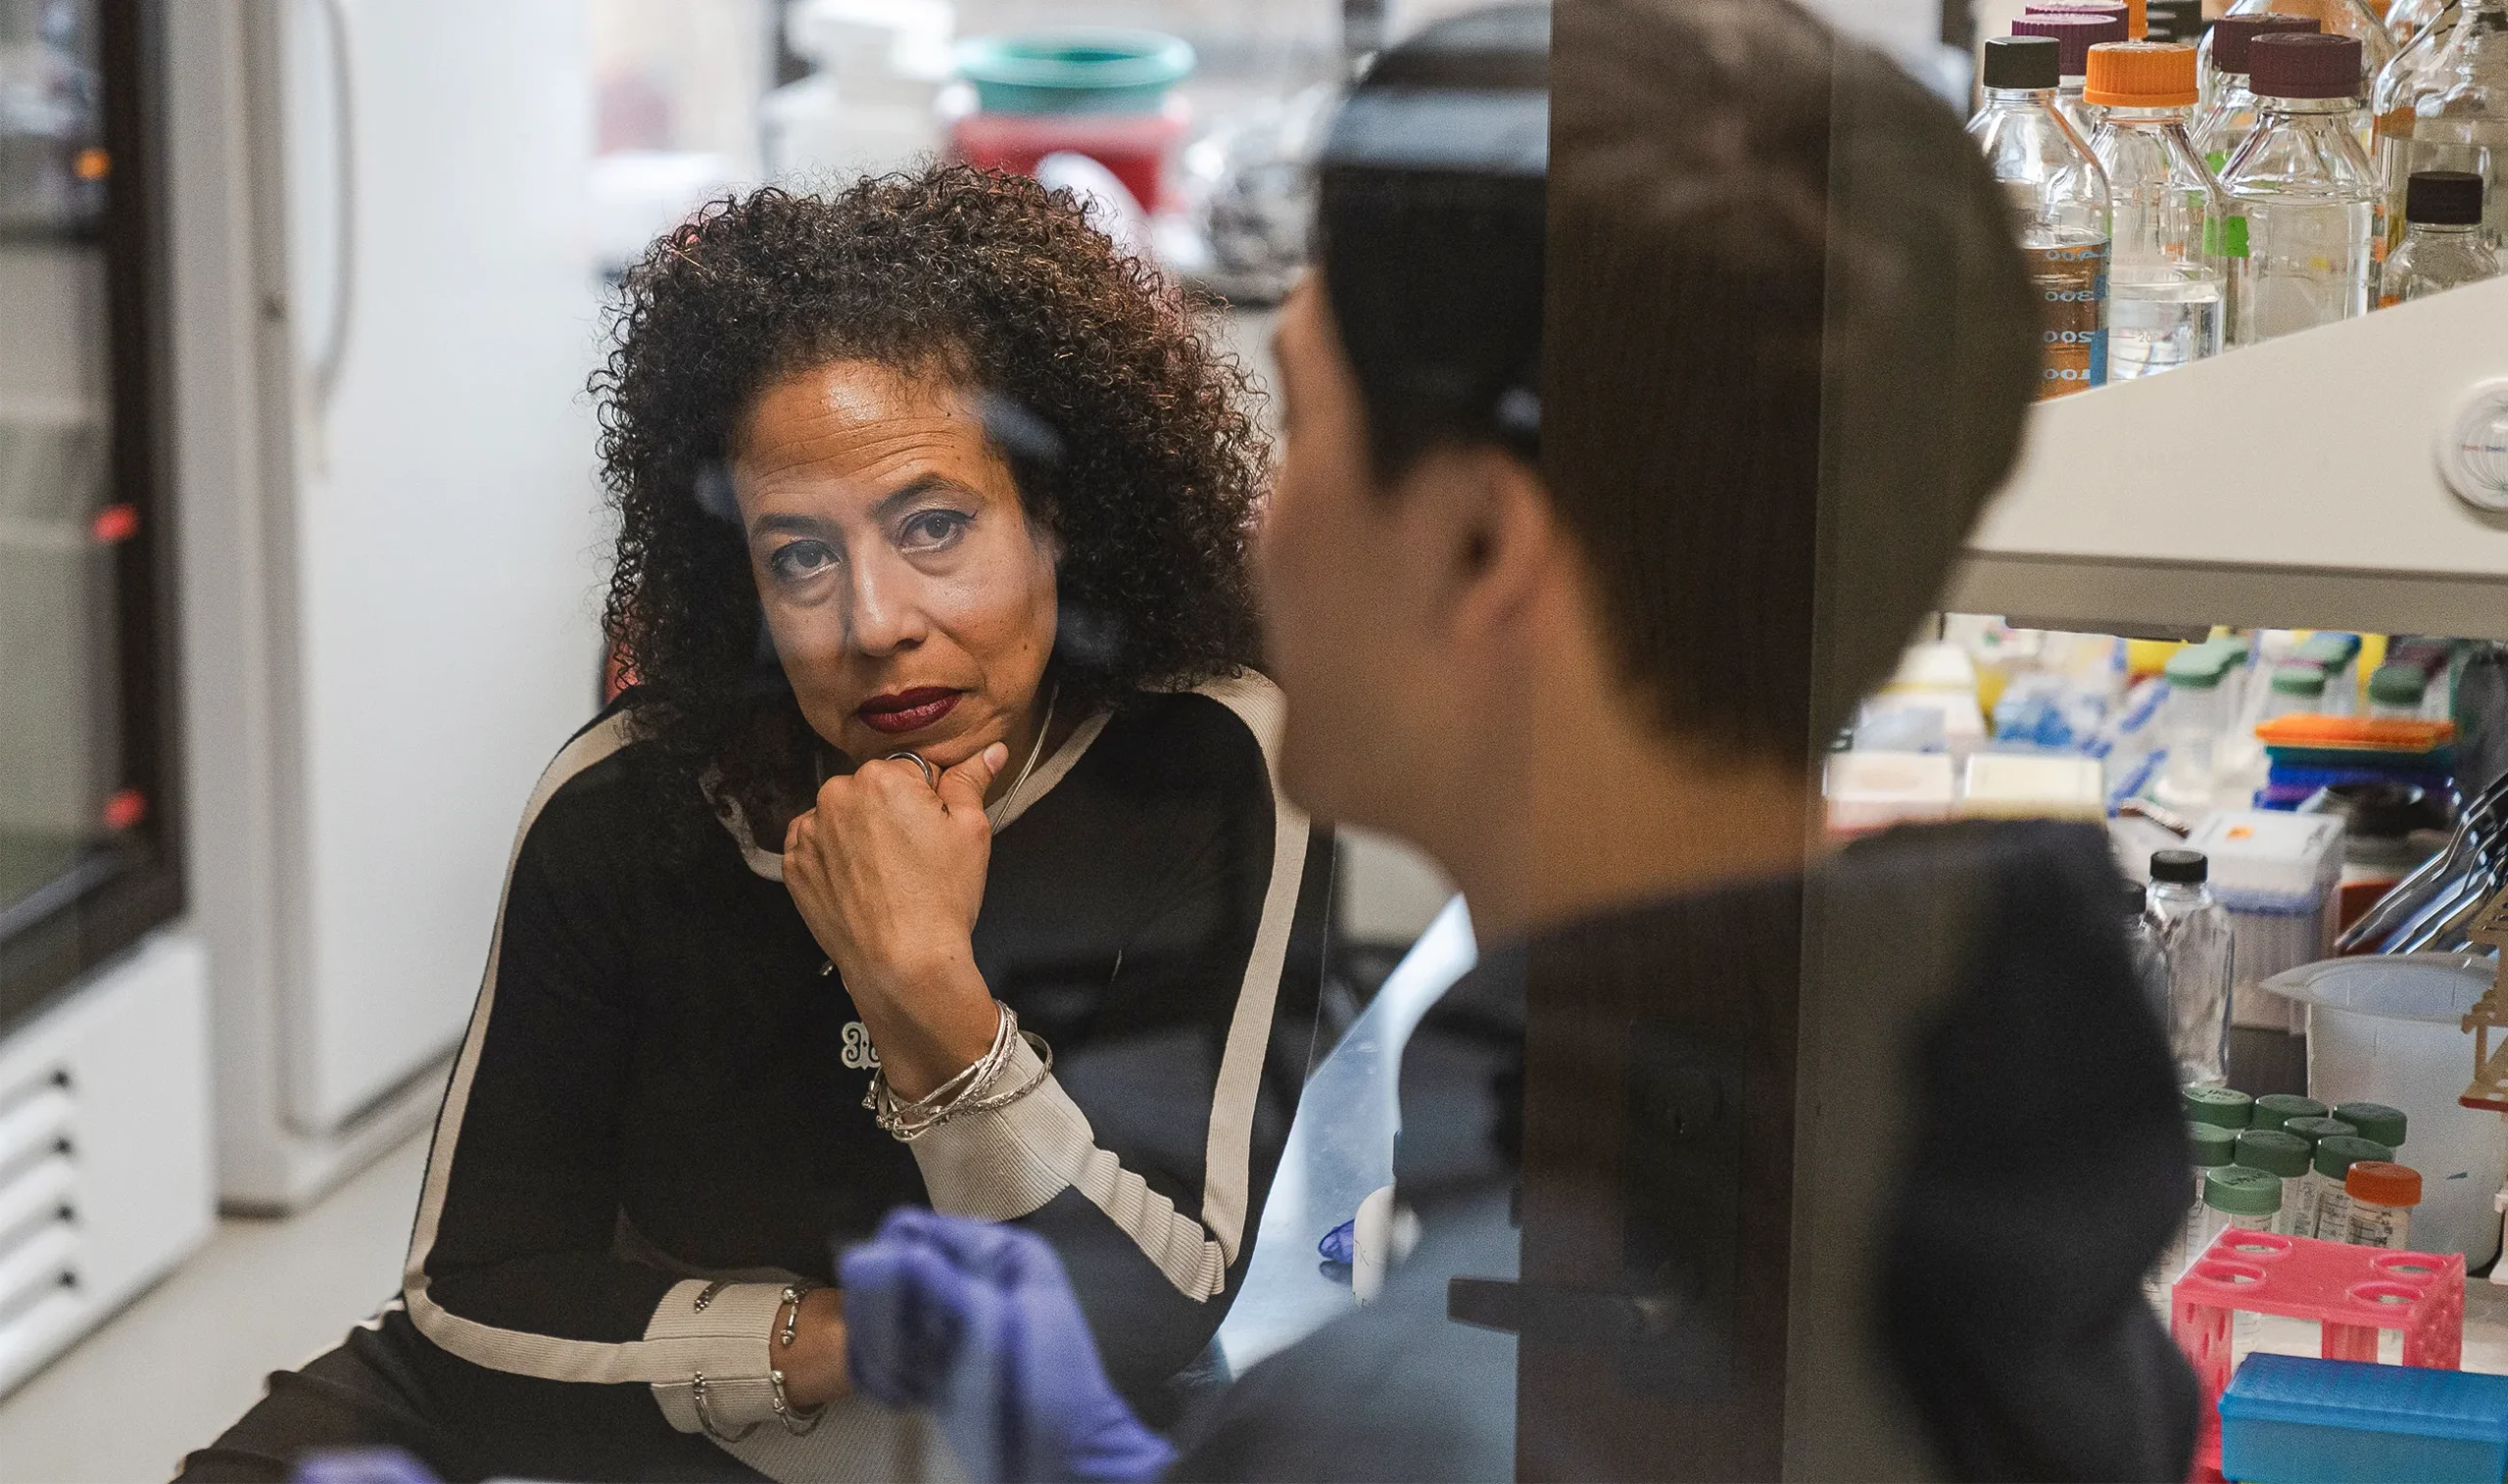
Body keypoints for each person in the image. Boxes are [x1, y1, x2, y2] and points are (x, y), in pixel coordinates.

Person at [837, 5, 2198, 1484]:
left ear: (1483, 543)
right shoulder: (1989, 1206)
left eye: (1301, 422)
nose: (1261, 524)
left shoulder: (1445, 1412)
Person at [178, 168, 1330, 1484]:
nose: (874, 620)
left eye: (935, 526)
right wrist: (818, 1338)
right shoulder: (632, 800)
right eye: (800, 556)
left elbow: (1144, 1325)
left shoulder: (1208, 764)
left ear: (1056, 513)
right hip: (689, 1404)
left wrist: (925, 995)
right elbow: (472, 1295)